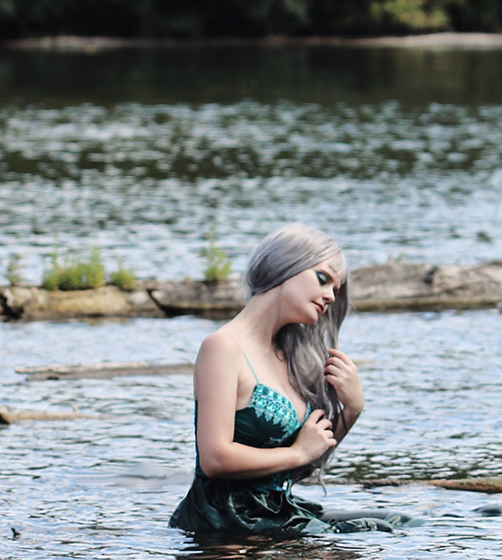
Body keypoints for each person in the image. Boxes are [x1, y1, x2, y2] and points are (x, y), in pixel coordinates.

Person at [169, 222, 412, 539]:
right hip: (224, 518)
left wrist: (352, 409)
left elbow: (300, 465)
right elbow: (214, 459)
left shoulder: (290, 357)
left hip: (274, 508)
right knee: (374, 534)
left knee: (401, 522)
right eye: (323, 279)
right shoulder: (222, 347)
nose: (329, 296)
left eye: (336, 290)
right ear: (284, 266)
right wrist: (299, 452)